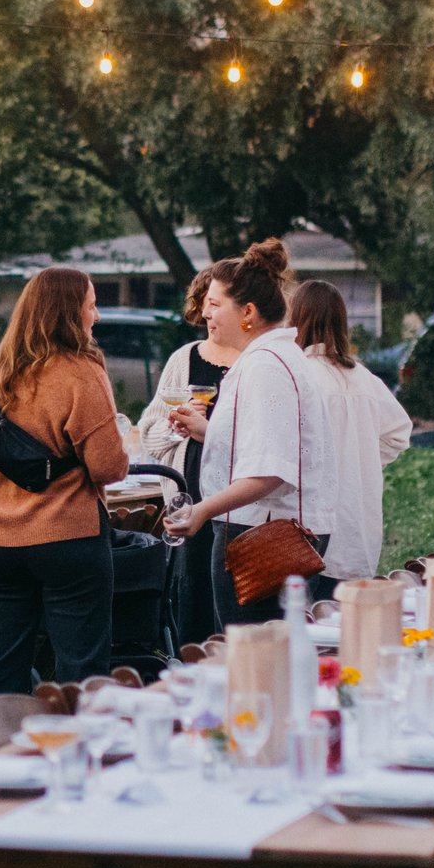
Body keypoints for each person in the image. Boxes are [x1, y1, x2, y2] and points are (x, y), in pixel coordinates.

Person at [0, 265, 130, 694]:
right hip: (67, 537)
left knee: (0, 661)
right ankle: (80, 753)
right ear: (69, 313)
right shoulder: (80, 373)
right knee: (81, 663)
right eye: (91, 306)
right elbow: (109, 467)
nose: (96, 316)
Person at [162, 240, 337, 627]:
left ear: (248, 313)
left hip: (261, 536)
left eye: (214, 303)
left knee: (252, 654)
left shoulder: (265, 366)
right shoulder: (268, 359)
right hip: (263, 529)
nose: (205, 312)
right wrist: (209, 431)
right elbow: (265, 443)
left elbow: (271, 470)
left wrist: (202, 511)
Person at [137, 271, 245, 642]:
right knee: (192, 596)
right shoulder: (184, 359)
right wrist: (177, 426)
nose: (207, 313)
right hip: (189, 498)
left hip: (238, 501)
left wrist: (210, 429)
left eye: (214, 304)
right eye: (205, 304)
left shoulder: (256, 362)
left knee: (232, 601)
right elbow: (149, 433)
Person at [291, 279, 412, 582]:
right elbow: (399, 433)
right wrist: (361, 458)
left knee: (307, 621)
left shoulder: (298, 376)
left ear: (296, 320)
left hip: (309, 528)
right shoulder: (364, 378)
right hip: (358, 526)